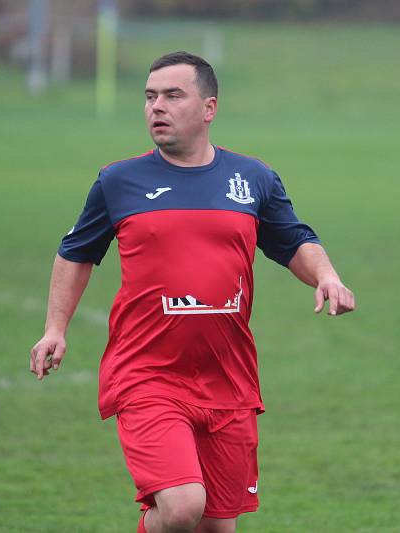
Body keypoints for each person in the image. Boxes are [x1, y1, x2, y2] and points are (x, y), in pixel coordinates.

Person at [30, 51, 355, 533]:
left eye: (172, 95)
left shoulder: (253, 179)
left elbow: (295, 241)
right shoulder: (119, 182)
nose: (156, 106)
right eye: (149, 96)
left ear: (209, 108)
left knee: (216, 525)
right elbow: (76, 252)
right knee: (182, 507)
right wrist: (54, 328)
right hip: (148, 373)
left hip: (228, 378)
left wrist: (327, 276)